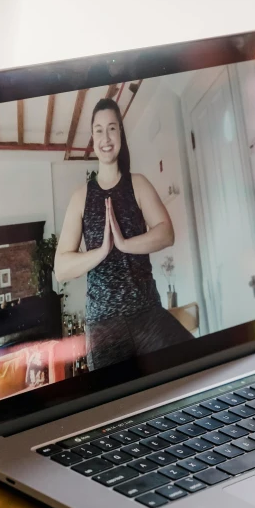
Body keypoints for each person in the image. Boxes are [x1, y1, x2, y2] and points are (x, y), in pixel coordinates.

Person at [55, 97, 193, 371]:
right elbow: (61, 268)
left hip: (148, 314)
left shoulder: (138, 184)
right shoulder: (81, 197)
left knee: (194, 371)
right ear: (92, 139)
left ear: (120, 134)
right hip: (104, 327)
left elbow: (167, 234)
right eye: (98, 130)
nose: (106, 137)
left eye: (112, 128)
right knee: (120, 408)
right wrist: (101, 251)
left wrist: (124, 244)